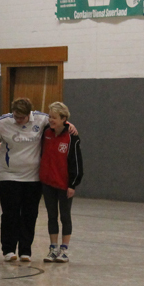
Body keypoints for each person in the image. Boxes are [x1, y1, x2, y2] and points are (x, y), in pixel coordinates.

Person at [0, 98, 49, 264]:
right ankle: (8, 249)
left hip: (33, 177)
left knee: (30, 214)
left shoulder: (41, 119)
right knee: (10, 214)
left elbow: (59, 121)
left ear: (29, 114)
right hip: (8, 175)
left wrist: (69, 125)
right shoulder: (2, 122)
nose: (18, 120)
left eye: (22, 117)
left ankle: (25, 250)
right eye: (16, 116)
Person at [40, 102, 83, 263]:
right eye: (50, 117)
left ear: (64, 119)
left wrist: (73, 184)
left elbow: (76, 162)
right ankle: (53, 248)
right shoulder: (45, 132)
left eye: (55, 117)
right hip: (48, 182)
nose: (51, 120)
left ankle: (64, 250)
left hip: (64, 184)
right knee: (51, 216)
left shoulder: (72, 137)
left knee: (65, 216)